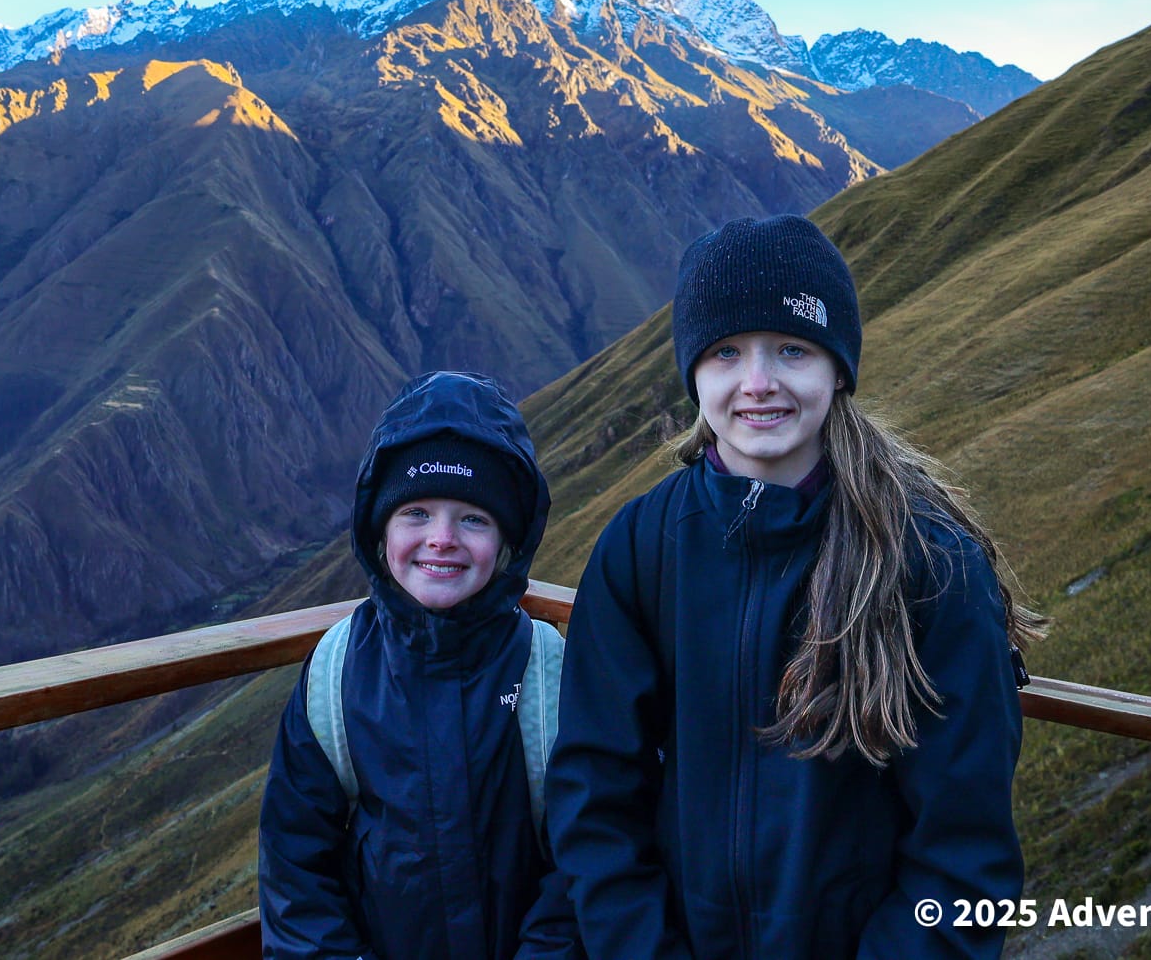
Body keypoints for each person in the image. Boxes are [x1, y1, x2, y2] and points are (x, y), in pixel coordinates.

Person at [546, 214, 1045, 960]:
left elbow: (962, 860)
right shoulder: (640, 547)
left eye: (791, 348)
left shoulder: (929, 564)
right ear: (693, 375)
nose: (757, 383)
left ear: (836, 367)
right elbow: (594, 795)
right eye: (725, 352)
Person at [259, 370, 580, 960]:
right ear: (379, 531)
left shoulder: (549, 671)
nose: (442, 538)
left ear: (509, 542)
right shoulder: (334, 675)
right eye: (416, 514)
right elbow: (295, 871)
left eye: (474, 518)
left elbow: (580, 865)